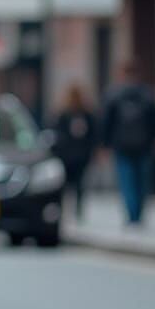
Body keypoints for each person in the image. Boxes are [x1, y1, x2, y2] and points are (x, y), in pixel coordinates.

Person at [100, 61, 155, 225]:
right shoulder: (147, 93)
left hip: (122, 146)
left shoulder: (114, 94)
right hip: (144, 146)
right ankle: (139, 213)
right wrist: (154, 138)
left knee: (127, 181)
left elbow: (107, 122)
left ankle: (131, 214)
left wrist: (105, 144)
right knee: (142, 182)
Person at [50, 83, 97, 220]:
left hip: (70, 156)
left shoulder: (68, 114)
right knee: (78, 184)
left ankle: (67, 209)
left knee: (68, 185)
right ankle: (77, 209)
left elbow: (57, 134)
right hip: (79, 155)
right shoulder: (78, 114)